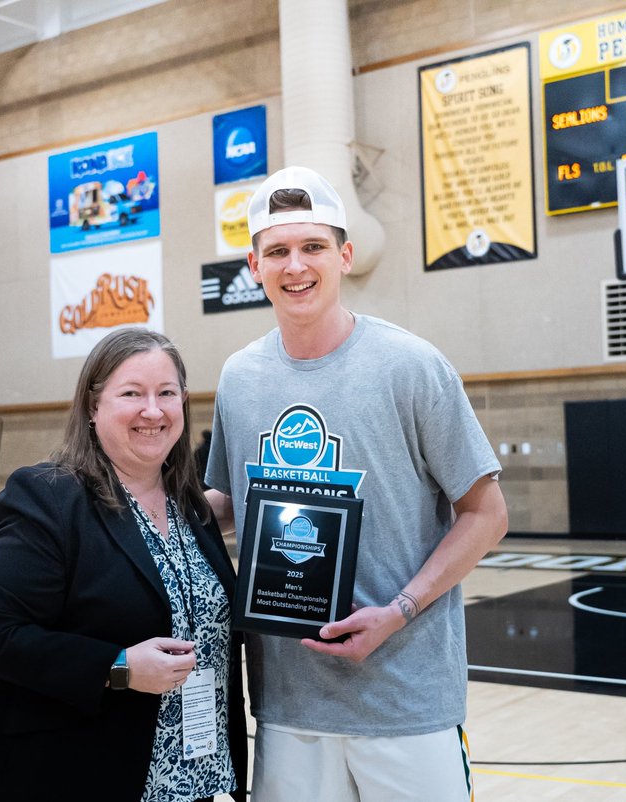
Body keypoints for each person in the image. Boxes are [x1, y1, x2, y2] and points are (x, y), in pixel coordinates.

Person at [205, 166, 508, 801]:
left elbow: (486, 514)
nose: (296, 266)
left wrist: (398, 613)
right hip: (290, 704)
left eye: (313, 246)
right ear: (254, 267)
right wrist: (127, 516)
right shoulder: (239, 377)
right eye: (278, 251)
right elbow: (229, 506)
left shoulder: (412, 366)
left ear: (344, 255)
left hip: (405, 699)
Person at [0, 328, 247, 802]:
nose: (153, 411)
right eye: (132, 394)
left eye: (166, 394)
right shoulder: (48, 496)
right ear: (93, 409)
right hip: (77, 774)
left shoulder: (189, 505)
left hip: (194, 779)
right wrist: (119, 667)